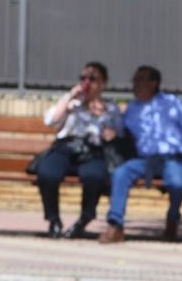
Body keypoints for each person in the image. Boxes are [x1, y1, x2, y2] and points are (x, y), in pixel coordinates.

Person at [101, 65, 182, 243]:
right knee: (121, 173)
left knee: (176, 182)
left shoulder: (172, 102)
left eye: (139, 80)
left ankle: (172, 219)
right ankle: (115, 225)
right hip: (144, 160)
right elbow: (121, 132)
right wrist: (112, 132)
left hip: (171, 158)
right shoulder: (132, 108)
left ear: (153, 83)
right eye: (134, 80)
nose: (134, 84)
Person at [37, 61, 123, 238]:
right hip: (66, 147)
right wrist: (70, 99)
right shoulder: (71, 102)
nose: (87, 82)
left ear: (103, 83)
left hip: (92, 149)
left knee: (95, 176)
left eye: (92, 78)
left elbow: (119, 133)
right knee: (47, 173)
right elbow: (50, 121)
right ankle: (53, 219)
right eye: (83, 78)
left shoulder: (110, 108)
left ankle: (85, 218)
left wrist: (110, 132)